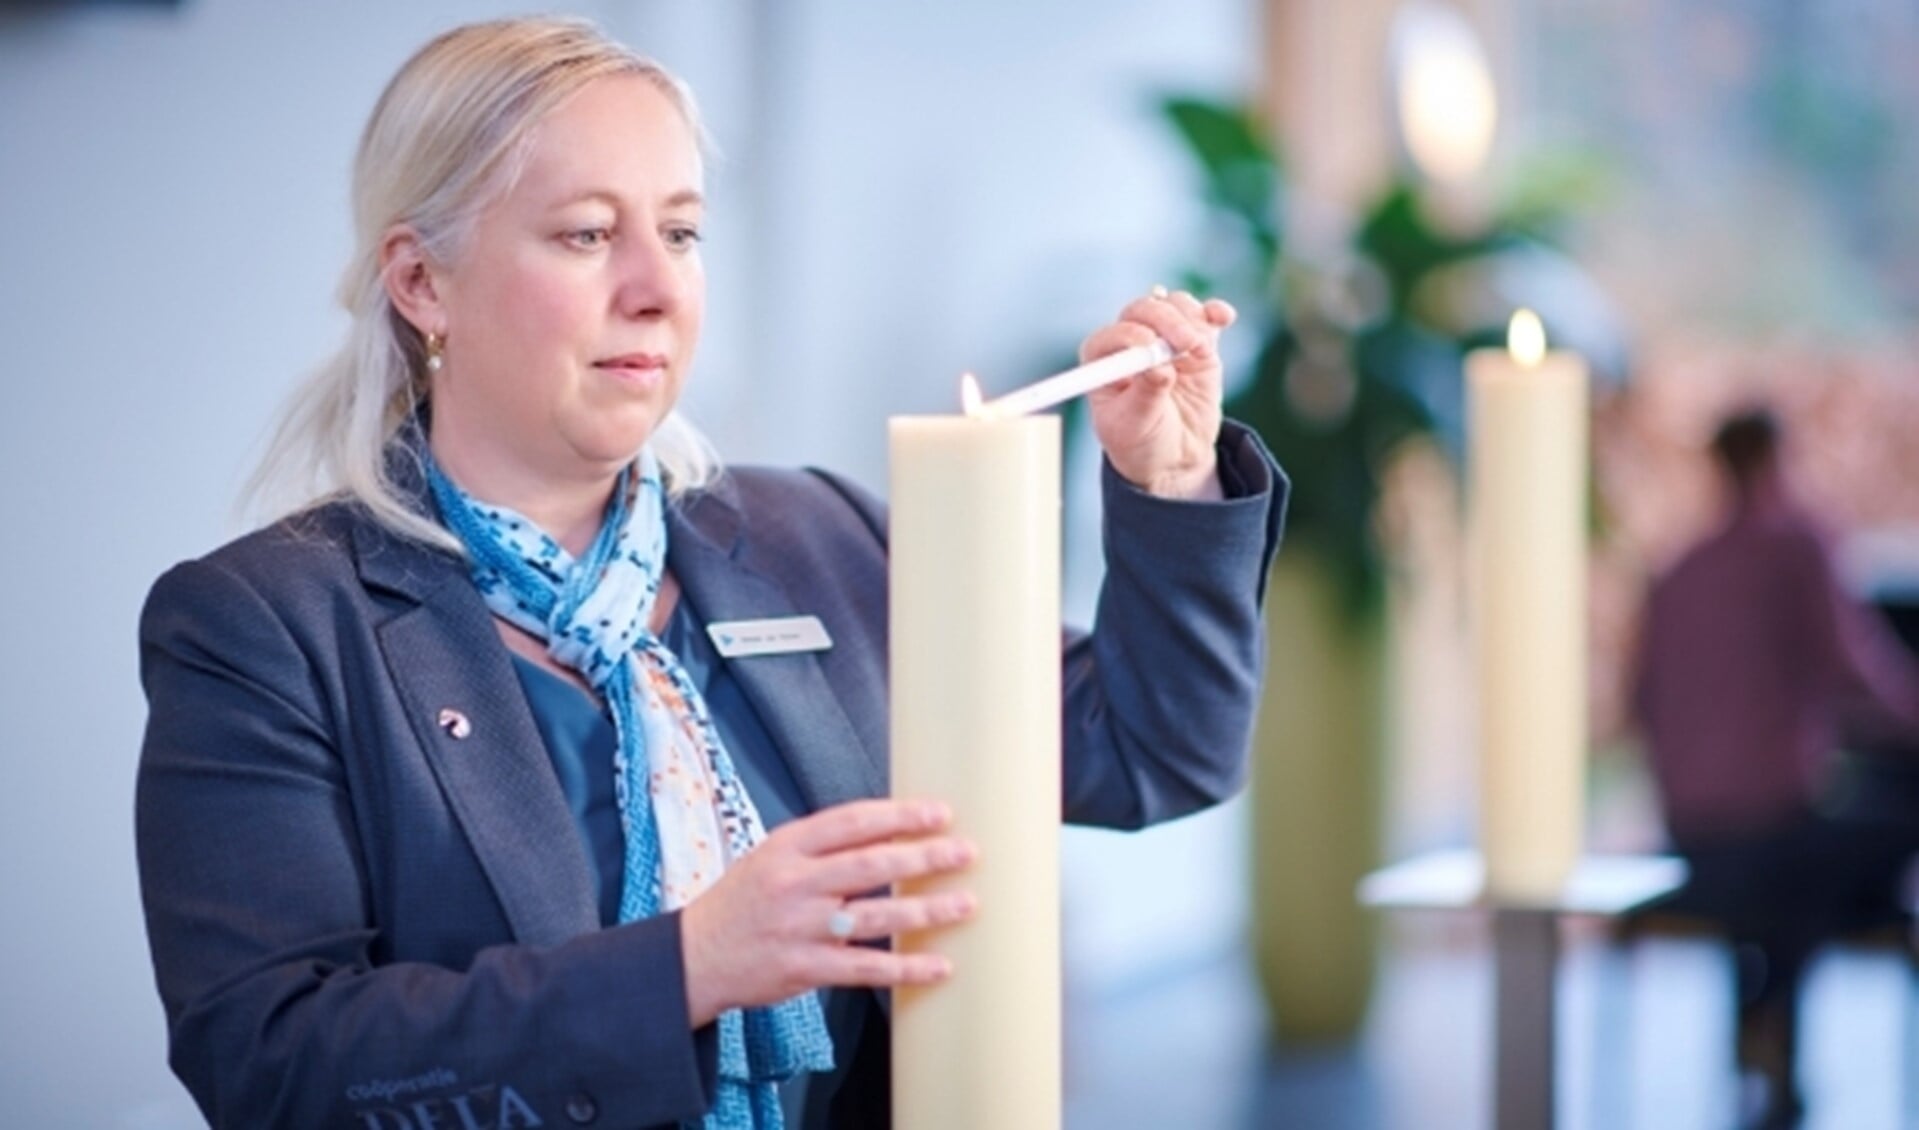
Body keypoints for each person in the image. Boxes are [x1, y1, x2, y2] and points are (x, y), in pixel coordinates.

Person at [133, 17, 1287, 1130]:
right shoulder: (263, 626)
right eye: (587, 233)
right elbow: (270, 1066)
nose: (654, 286)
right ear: (423, 283)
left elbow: (1154, 751)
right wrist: (685, 966)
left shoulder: (817, 538)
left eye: (680, 233)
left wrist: (1167, 481)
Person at [1633, 405, 1919, 1127]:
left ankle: (1763, 1022)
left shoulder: (1674, 571)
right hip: (1769, 836)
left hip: (1688, 832)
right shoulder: (1795, 548)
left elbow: (1639, 708)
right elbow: (1860, 675)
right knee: (1858, 842)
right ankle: (1770, 1025)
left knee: (1803, 845)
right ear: (1775, 460)